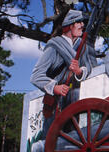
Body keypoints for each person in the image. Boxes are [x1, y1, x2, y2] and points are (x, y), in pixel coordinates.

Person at [30, 9, 95, 137]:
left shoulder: (83, 46)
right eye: (79, 22)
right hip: (55, 103)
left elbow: (91, 68)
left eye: (83, 22)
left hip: (75, 101)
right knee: (51, 141)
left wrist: (79, 71)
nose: (82, 25)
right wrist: (54, 87)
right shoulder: (54, 46)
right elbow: (36, 76)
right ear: (70, 26)